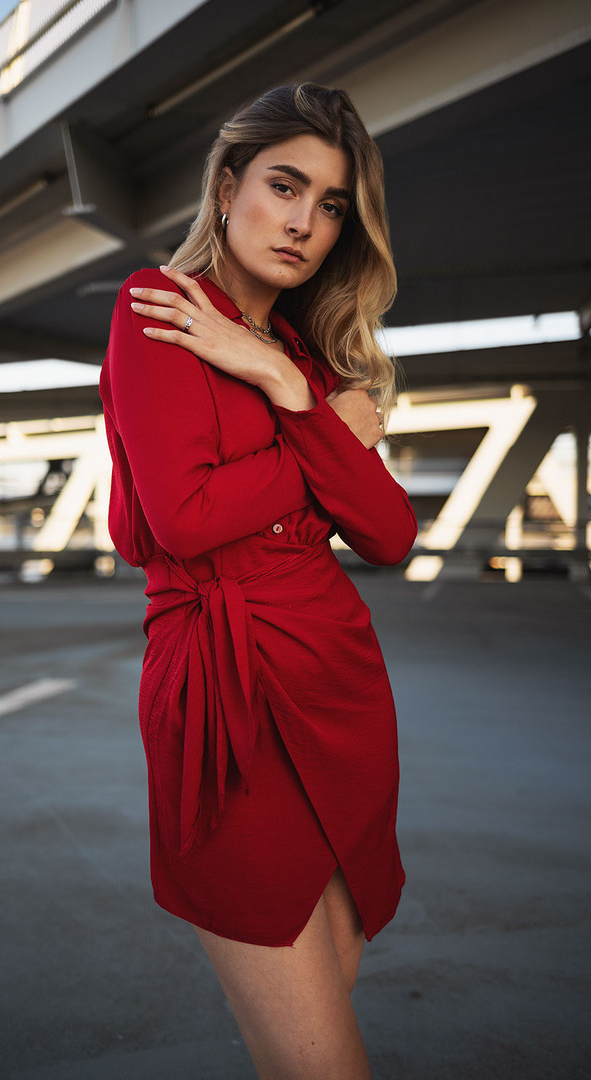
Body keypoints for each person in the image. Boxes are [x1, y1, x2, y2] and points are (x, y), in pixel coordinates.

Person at [99, 83, 417, 1080]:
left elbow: (390, 532)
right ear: (228, 184)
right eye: (285, 185)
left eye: (330, 205)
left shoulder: (304, 360)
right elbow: (183, 522)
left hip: (336, 689)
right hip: (224, 699)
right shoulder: (158, 307)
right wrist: (317, 435)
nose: (304, 222)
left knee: (317, 1021)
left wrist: (285, 385)